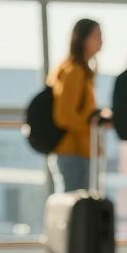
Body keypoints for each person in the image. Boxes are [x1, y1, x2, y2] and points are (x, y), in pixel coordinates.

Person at [46, 18, 102, 193]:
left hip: (78, 150)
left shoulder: (78, 70)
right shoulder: (74, 71)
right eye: (96, 35)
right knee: (74, 203)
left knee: (76, 202)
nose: (101, 40)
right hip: (73, 150)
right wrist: (91, 125)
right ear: (82, 39)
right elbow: (64, 116)